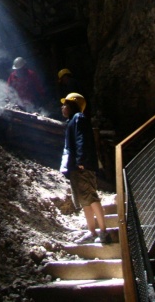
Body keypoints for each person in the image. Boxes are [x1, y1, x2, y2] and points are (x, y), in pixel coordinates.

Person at [59, 92, 111, 244]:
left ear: (73, 105)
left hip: (83, 166)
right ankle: (92, 232)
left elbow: (82, 139)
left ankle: (103, 232)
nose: (62, 107)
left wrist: (81, 160)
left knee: (91, 197)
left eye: (65, 104)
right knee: (84, 201)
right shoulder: (72, 121)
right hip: (76, 167)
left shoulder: (78, 118)